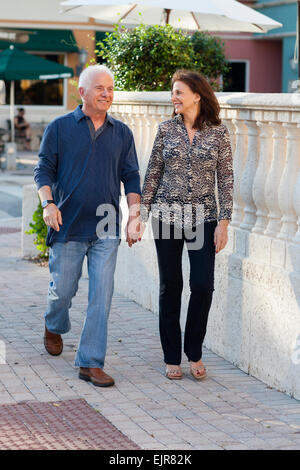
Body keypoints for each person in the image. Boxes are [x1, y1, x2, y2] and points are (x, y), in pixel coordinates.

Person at [34, 64, 141, 387]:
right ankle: (54, 324)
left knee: (102, 295)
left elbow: (132, 176)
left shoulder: (122, 132)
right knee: (62, 292)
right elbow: (43, 171)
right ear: (82, 92)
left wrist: (135, 216)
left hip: (106, 227)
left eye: (110, 88)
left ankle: (90, 362)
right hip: (68, 224)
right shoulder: (60, 128)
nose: (107, 94)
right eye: (100, 88)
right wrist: (47, 204)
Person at [141, 70, 233, 381]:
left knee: (203, 285)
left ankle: (194, 350)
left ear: (197, 95)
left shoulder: (219, 134)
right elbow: (153, 173)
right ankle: (172, 357)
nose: (174, 97)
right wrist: (138, 217)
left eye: (179, 92)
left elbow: (227, 180)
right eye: (173, 92)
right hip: (166, 217)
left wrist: (224, 222)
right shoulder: (166, 129)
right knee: (171, 287)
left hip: (203, 219)